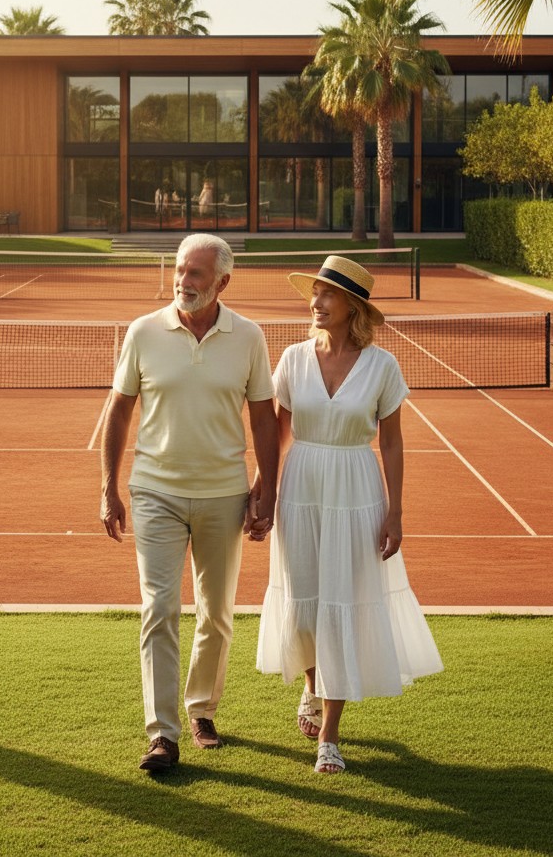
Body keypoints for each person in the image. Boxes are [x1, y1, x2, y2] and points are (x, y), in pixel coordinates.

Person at [253, 255, 443, 775]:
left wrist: (396, 511)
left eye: (327, 295)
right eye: (314, 294)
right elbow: (279, 430)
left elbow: (394, 442)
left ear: (352, 305)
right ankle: (313, 688)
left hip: (357, 488)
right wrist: (262, 490)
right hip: (302, 487)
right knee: (307, 602)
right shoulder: (292, 358)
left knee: (343, 599)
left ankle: (330, 737)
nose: (315, 303)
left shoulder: (382, 366)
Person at [101, 233, 279, 773]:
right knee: (158, 609)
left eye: (196, 273)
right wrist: (108, 486)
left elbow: (265, 417)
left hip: (225, 493)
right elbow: (119, 408)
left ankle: (201, 709)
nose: (184, 281)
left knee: (217, 613)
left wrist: (265, 486)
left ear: (223, 281)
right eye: (180, 270)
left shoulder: (248, 337)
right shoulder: (143, 332)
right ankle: (163, 735)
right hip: (155, 490)